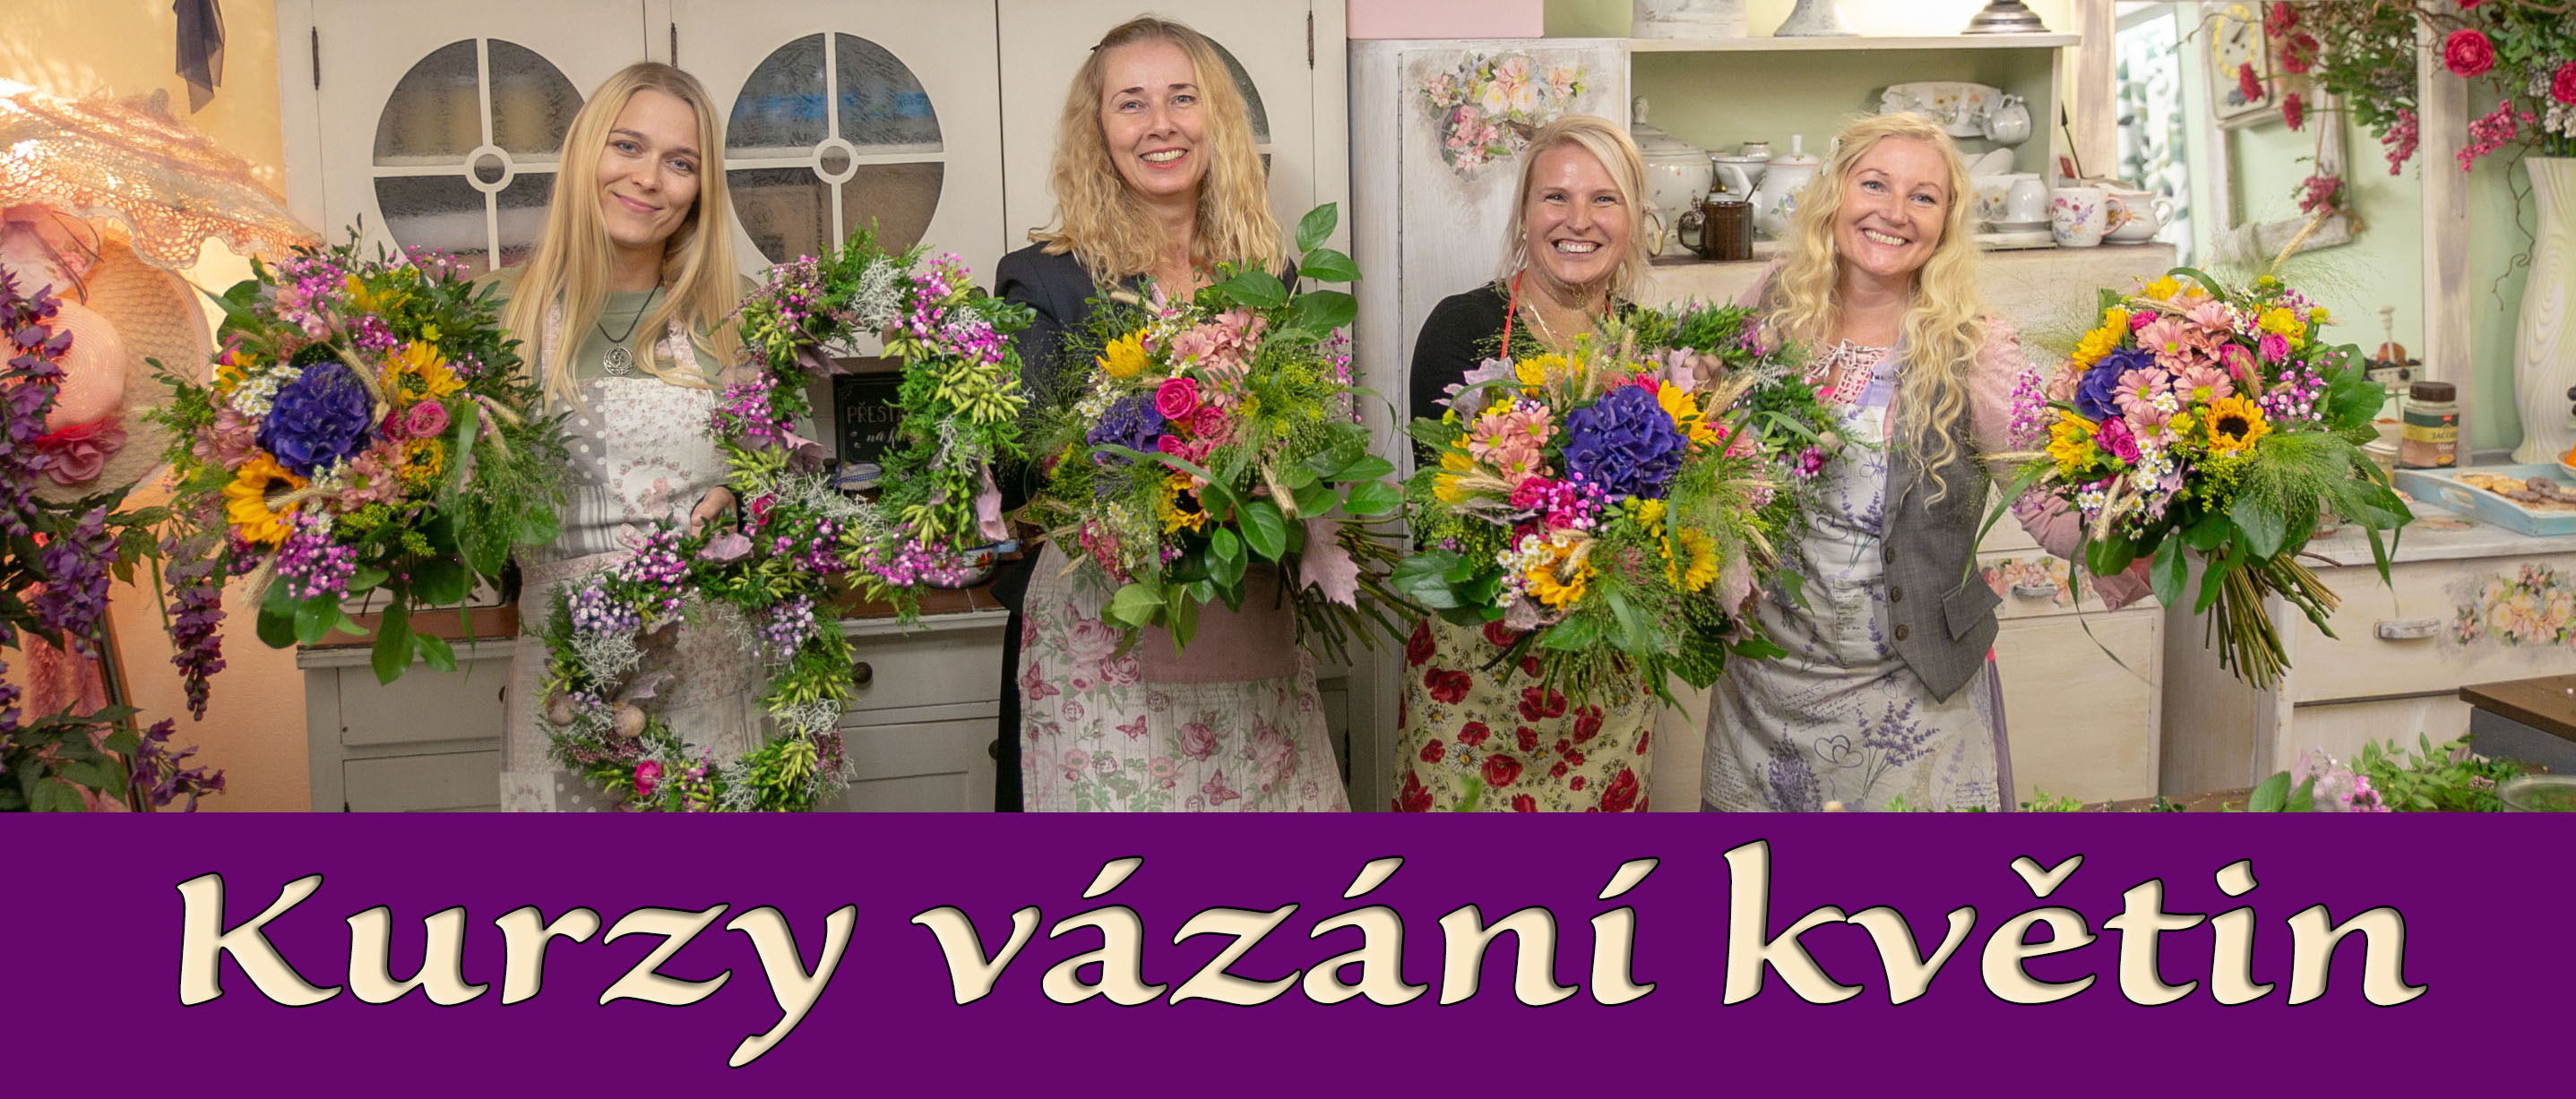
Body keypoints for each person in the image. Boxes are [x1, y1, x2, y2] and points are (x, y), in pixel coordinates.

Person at [1702, 112, 2147, 812]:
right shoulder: (1772, 304)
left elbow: (2044, 501)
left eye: (1922, 196)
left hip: (1914, 704)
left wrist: (2170, 515)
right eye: (1873, 184)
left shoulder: (1976, 345)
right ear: (1834, 192)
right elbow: (1703, 442)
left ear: (1945, 222)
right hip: (1762, 699)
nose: (1893, 212)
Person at [992, 15, 1346, 811]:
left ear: (1214, 118)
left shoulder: (1269, 274)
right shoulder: (1045, 280)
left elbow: (1311, 437)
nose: (1161, 124)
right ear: (1097, 130)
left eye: (1182, 98)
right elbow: (1021, 464)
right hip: (1103, 641)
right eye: (1131, 103)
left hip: (1247, 618)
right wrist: (1152, 462)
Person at [494, 62, 758, 811]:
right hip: (560, 687)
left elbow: (786, 473)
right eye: (628, 147)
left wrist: (739, 497)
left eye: (681, 163)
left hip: (705, 669)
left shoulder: (734, 317)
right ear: (587, 153)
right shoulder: (501, 316)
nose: (649, 179)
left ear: (700, 190)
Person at [1391, 116, 1659, 812]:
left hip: (1604, 688)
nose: (1579, 220)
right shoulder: (1461, 327)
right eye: (1555, 197)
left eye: (1604, 199)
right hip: (1471, 685)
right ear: (1523, 212)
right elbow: (1440, 517)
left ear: (1632, 218)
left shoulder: (1649, 344)